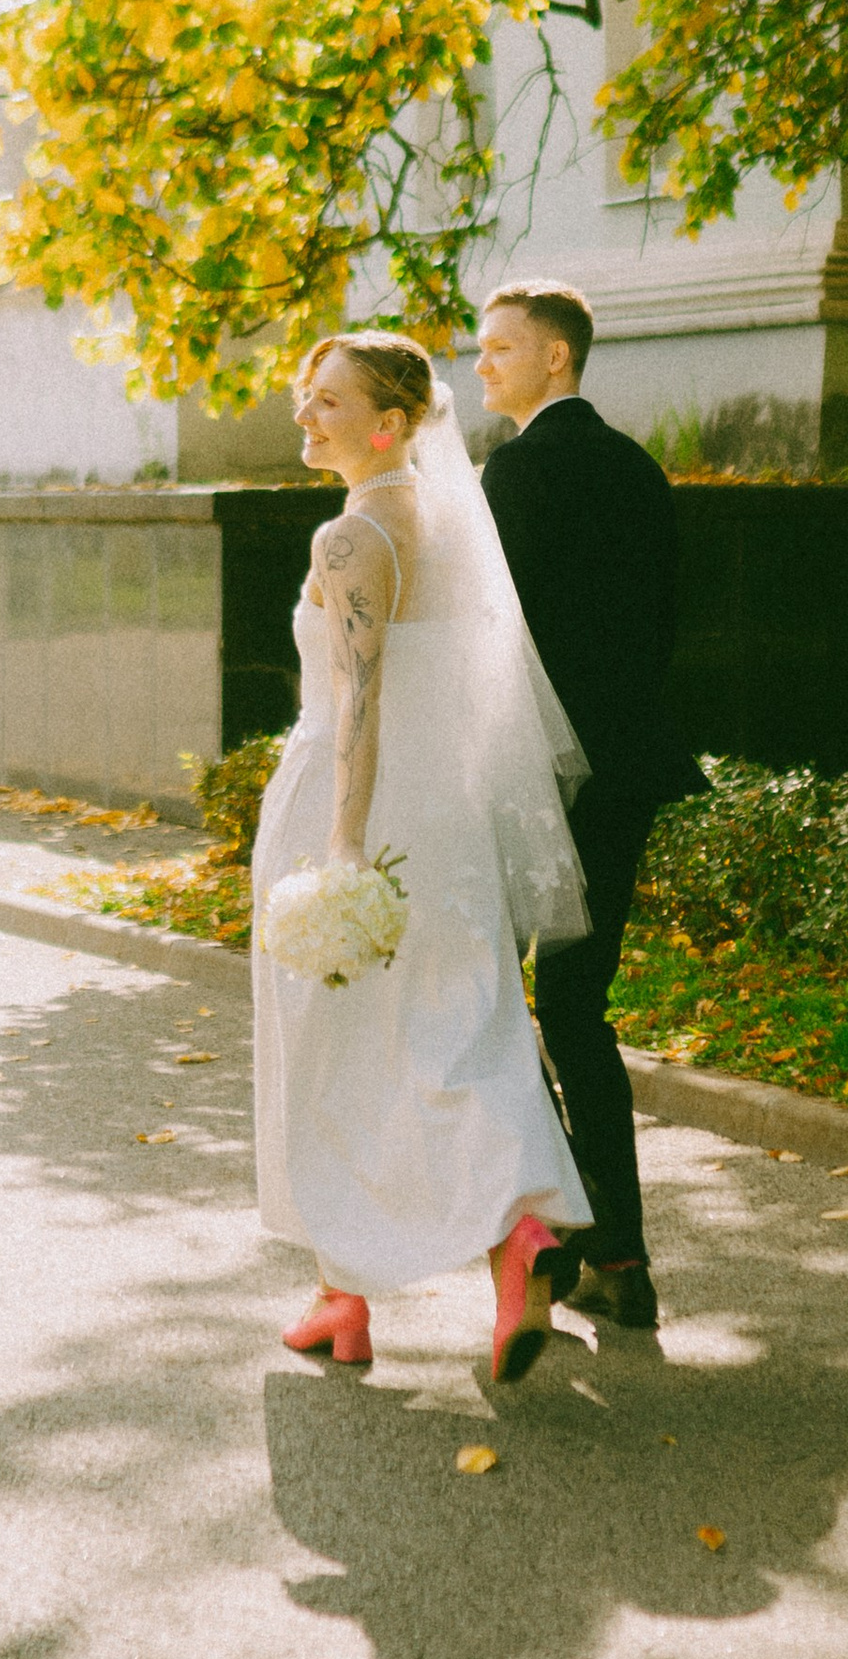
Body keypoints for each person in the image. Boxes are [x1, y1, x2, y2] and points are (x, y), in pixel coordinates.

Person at [250, 330, 594, 1385]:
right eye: (306, 395)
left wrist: (343, 845)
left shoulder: (355, 537)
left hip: (355, 806)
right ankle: (510, 1239)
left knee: (331, 1048)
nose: (305, 415)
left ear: (389, 423)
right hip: (448, 816)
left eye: (329, 401)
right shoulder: (449, 522)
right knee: (465, 1027)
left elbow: (359, 700)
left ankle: (349, 1291)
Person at [474, 280, 707, 1332]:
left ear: (555, 356)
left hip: (536, 773)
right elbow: (662, 619)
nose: (483, 364)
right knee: (576, 1007)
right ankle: (620, 1253)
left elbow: (495, 633)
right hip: (628, 767)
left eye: (500, 347)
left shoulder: (518, 470)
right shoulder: (637, 465)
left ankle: (559, 1231)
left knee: (486, 997)